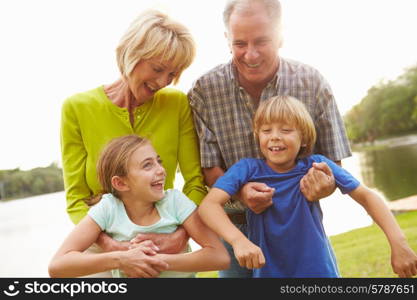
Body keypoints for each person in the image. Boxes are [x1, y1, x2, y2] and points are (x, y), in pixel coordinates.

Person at [188, 0, 350, 277]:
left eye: (261, 41)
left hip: (299, 231)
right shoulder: (205, 90)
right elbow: (209, 168)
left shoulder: (312, 82)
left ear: (281, 35)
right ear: (227, 40)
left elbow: (332, 164)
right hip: (236, 229)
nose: (250, 55)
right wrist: (241, 193)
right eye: (240, 43)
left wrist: (323, 185)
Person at [198, 95, 417, 278]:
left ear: (303, 138)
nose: (274, 137)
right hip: (268, 275)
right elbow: (209, 207)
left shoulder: (316, 165)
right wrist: (239, 241)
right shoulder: (246, 169)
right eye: (266, 131)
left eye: (285, 130)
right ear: (258, 136)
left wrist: (399, 244)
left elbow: (368, 197)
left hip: (319, 273)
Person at [60, 9, 207, 276]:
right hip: (101, 249)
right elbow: (75, 197)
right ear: (131, 55)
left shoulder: (177, 104)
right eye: (158, 68)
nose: (163, 82)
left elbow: (195, 182)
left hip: (167, 243)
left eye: (173, 73)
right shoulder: (77, 108)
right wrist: (113, 248)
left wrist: (181, 235)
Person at [49, 135, 229, 278]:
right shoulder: (108, 208)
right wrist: (121, 260)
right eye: (147, 165)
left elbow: (219, 257)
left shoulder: (175, 202)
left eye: (159, 161)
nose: (161, 170)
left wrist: (156, 261)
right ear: (121, 183)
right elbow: (57, 266)